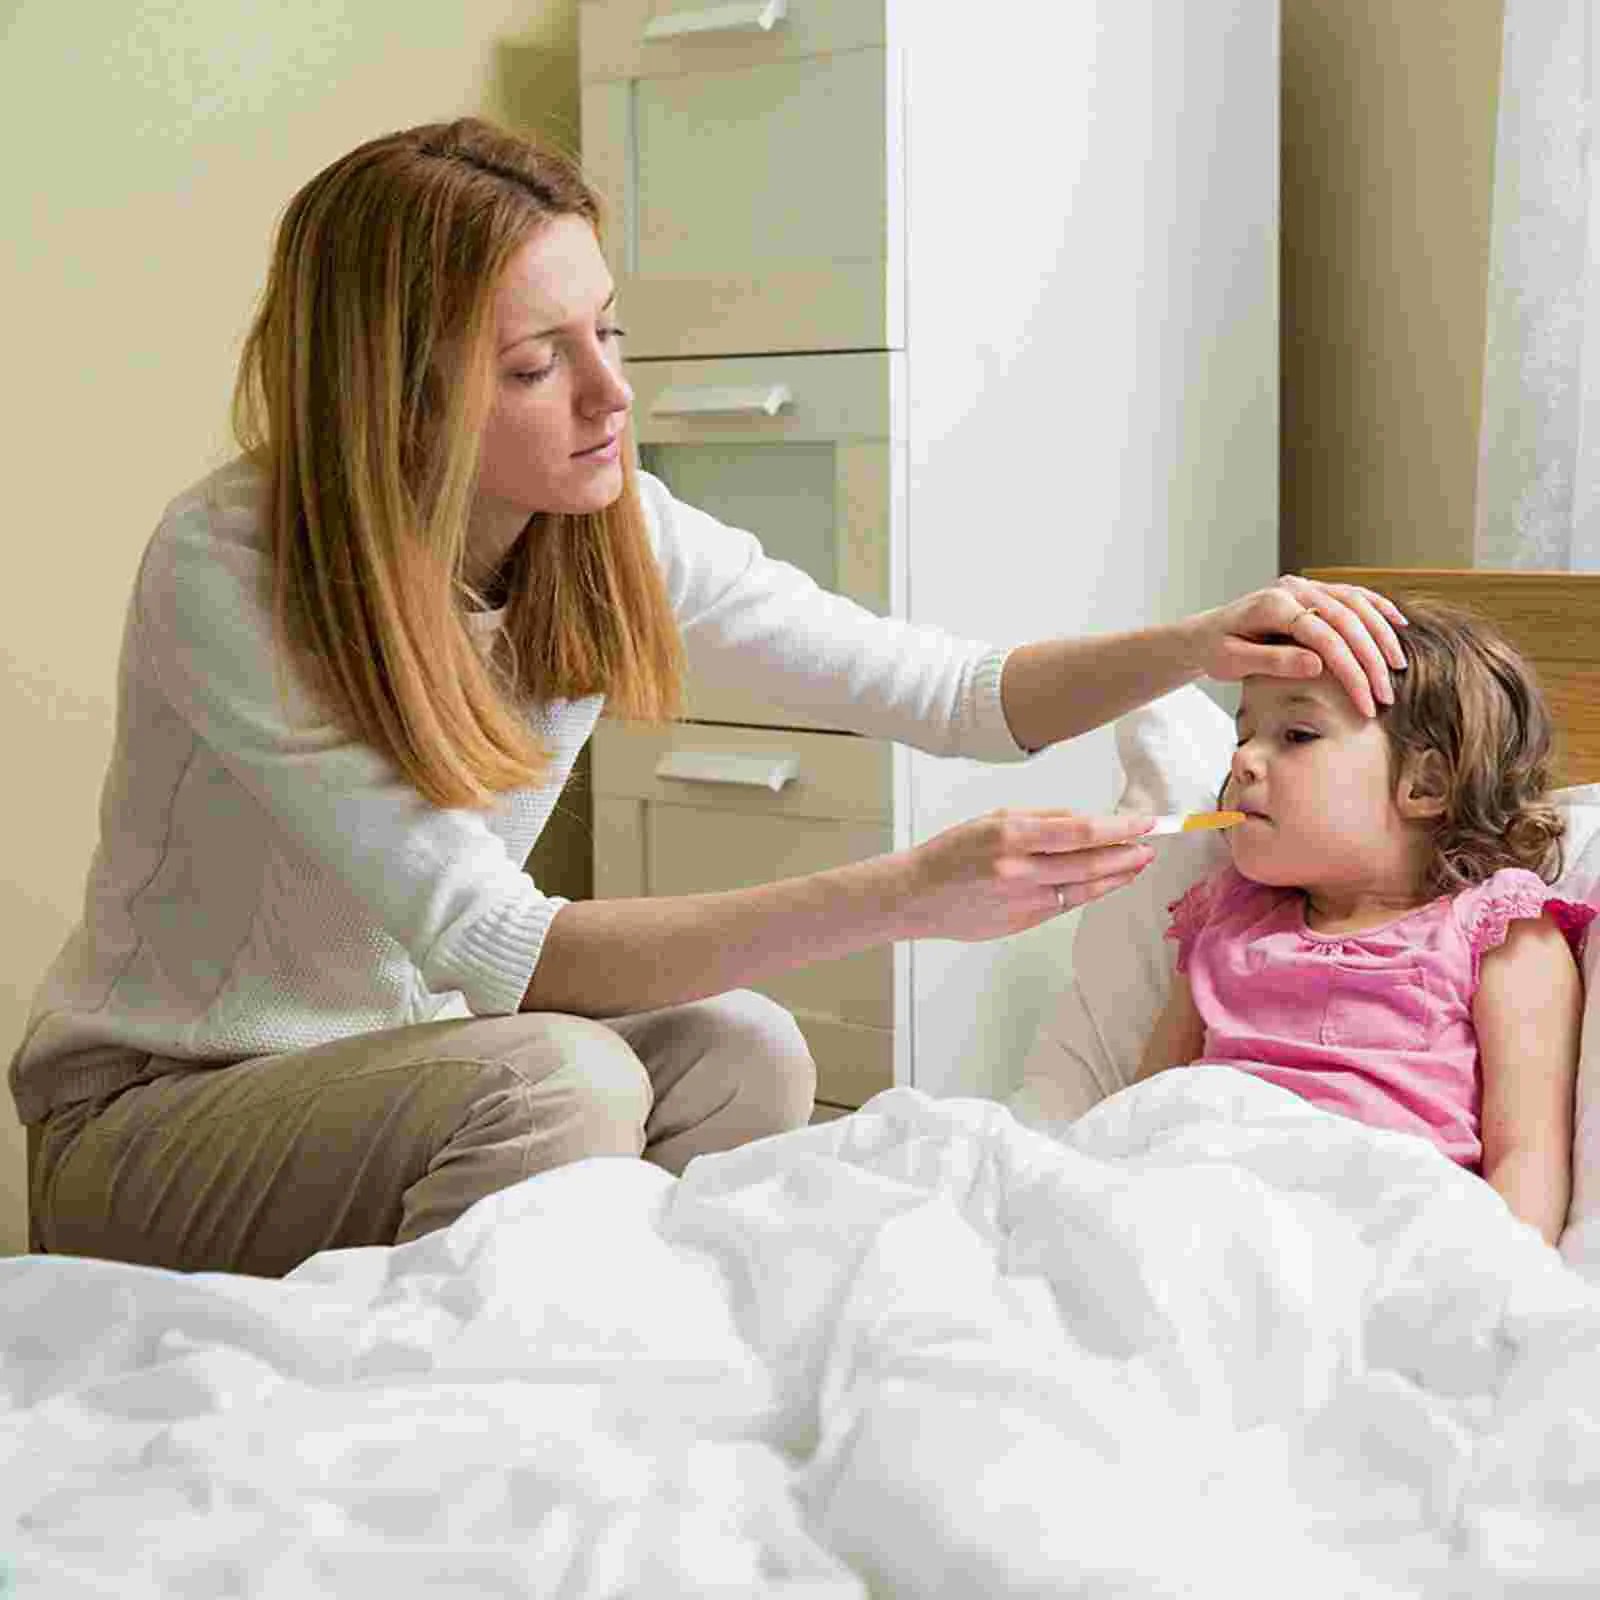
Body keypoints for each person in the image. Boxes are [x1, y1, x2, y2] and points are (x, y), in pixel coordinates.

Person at [11, 118, 1407, 1277]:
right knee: (562, 1079)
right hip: (155, 1120)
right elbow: (514, 954)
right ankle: (443, 1413)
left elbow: (954, 692)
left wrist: (1206, 640)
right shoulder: (238, 565)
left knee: (743, 1053)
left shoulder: (603, 526)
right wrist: (912, 890)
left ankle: (608, 1364)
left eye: (607, 330)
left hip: (401, 1072)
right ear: (396, 392)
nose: (614, 394)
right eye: (534, 363)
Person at [1135, 601, 1590, 1245]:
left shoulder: (1498, 930)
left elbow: (1528, 1156)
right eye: (1243, 737)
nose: (1243, 763)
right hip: (1196, 1215)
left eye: (1296, 736)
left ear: (1425, 782)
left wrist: (1492, 1300)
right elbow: (1142, 1109)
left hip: (1373, 1243)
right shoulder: (1225, 915)